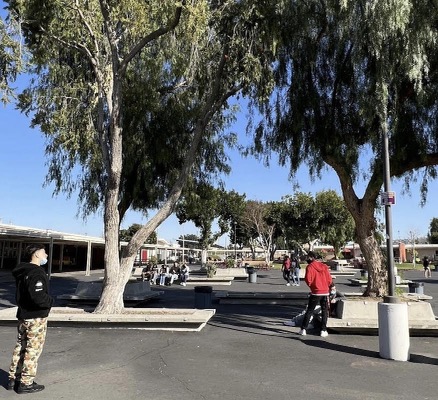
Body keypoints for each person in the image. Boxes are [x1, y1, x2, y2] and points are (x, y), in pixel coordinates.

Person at [8, 244, 53, 394]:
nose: (46, 255)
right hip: (36, 317)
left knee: (21, 346)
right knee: (33, 349)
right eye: (44, 253)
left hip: (24, 315)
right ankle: (26, 383)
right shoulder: (36, 273)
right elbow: (37, 296)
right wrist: (50, 302)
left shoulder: (23, 271)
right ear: (36, 254)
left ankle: (13, 378)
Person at [299, 251, 332, 337]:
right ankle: (323, 330)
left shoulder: (309, 267)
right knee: (325, 311)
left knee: (310, 310)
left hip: (316, 292)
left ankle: (303, 329)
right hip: (325, 292)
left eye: (307, 257)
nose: (306, 259)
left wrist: (312, 286)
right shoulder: (324, 266)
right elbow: (329, 279)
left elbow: (308, 280)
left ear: (311, 257)